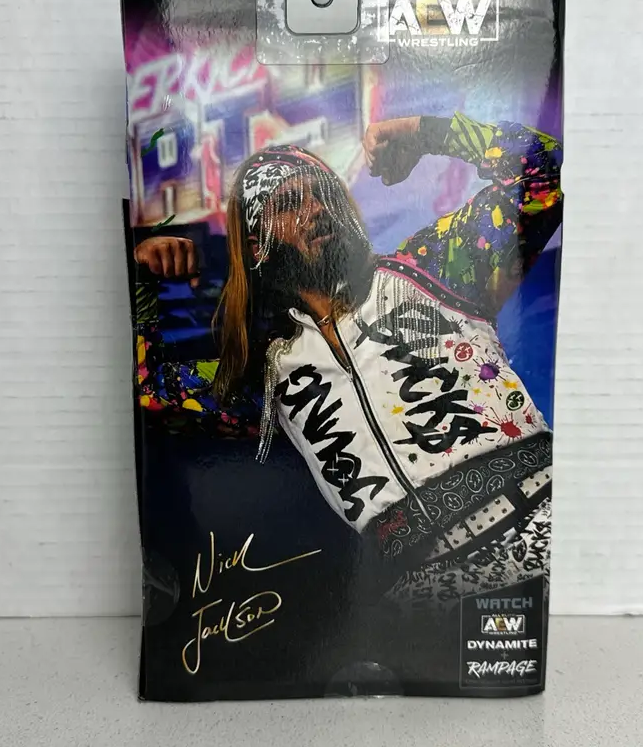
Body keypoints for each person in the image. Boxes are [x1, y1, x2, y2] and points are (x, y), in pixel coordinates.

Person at [133, 111, 562, 610]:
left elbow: (543, 171)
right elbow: (148, 390)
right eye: (290, 203)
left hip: (540, 518)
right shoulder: (266, 373)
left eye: (326, 196)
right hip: (421, 593)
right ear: (255, 246)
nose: (317, 209)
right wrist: (141, 277)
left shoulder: (431, 267)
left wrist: (423, 132)